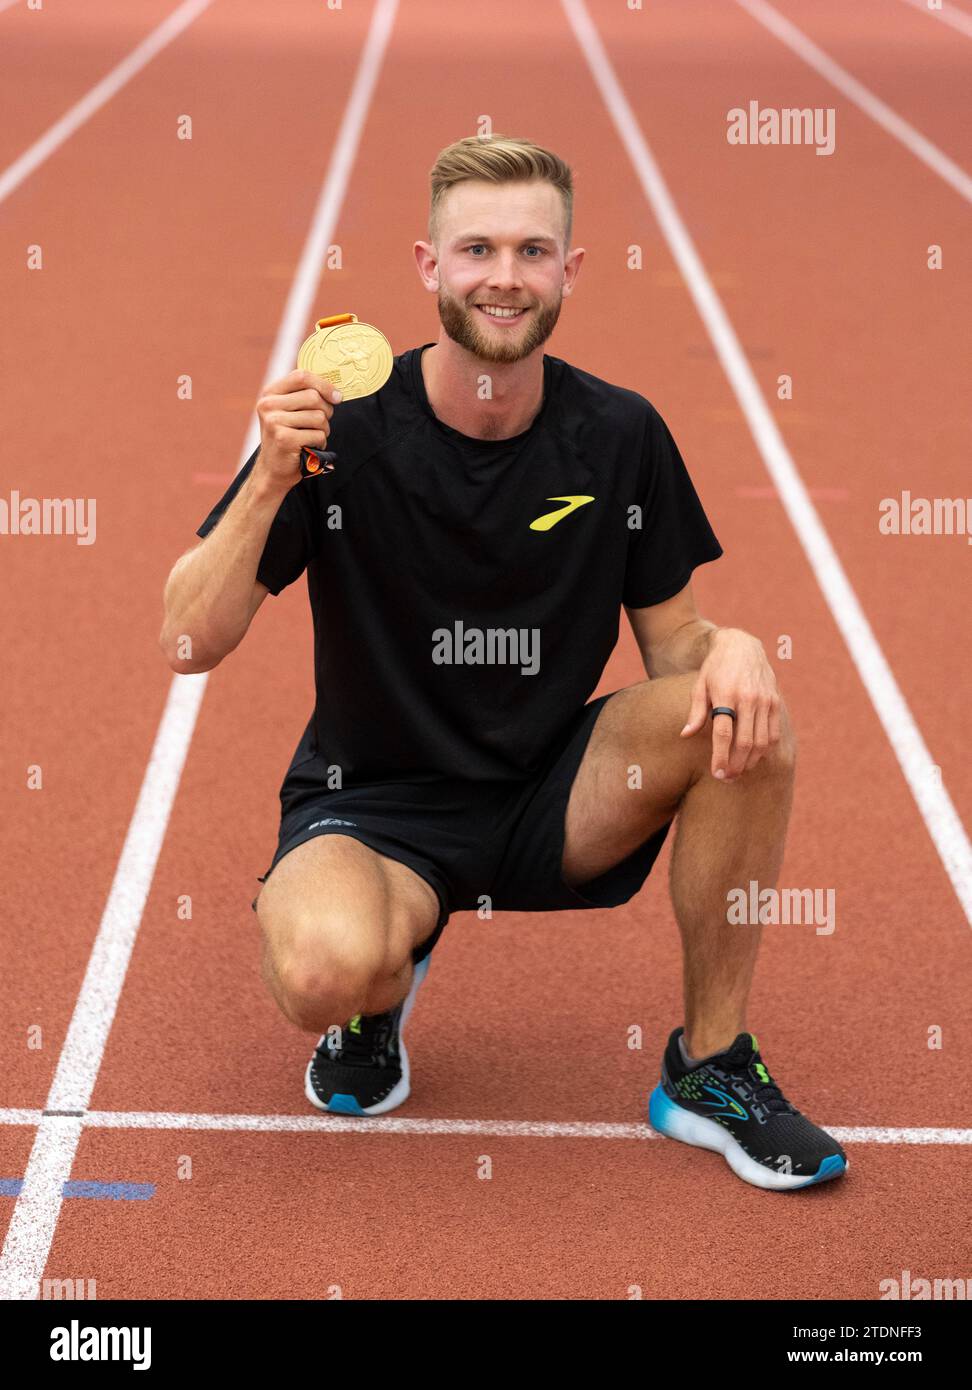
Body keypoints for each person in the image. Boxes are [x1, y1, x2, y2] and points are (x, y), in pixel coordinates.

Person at [160, 135, 846, 1191]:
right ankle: (380, 976)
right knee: (320, 968)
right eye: (476, 248)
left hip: (555, 792)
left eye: (533, 250)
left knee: (744, 717)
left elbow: (679, 648)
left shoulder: (621, 435)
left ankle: (709, 1065)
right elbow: (187, 640)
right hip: (376, 804)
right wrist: (266, 486)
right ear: (430, 266)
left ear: (569, 272)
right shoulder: (334, 431)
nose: (505, 276)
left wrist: (737, 645)